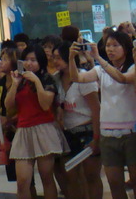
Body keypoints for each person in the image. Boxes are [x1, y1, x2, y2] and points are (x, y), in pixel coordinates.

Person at [69, 31, 136, 199]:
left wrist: (98, 58)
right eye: (108, 46)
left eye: (115, 45)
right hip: (107, 134)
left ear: (126, 48)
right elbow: (76, 78)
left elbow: (122, 78)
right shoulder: (100, 70)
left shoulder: (133, 67)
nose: (110, 49)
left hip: (131, 133)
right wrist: (71, 58)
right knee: (114, 182)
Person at [5, 45, 69, 199]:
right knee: (22, 181)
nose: (29, 63)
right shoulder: (20, 81)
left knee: (46, 177)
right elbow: (8, 106)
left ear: (41, 62)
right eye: (26, 60)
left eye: (33, 60)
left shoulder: (47, 79)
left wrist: (37, 81)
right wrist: (14, 84)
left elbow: (45, 104)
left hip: (44, 129)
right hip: (23, 130)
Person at [52, 42, 102, 199]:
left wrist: (96, 138)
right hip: (67, 133)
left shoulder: (84, 77)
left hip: (87, 131)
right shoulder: (56, 79)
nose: (55, 61)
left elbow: (96, 109)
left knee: (91, 176)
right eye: (53, 57)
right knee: (71, 178)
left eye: (58, 57)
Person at [0, 43, 21, 183]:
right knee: (14, 174)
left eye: (5, 59)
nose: (1, 62)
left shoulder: (22, 81)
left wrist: (11, 120)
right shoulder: (0, 83)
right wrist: (0, 120)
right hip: (6, 131)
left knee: (24, 174)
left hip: (21, 128)